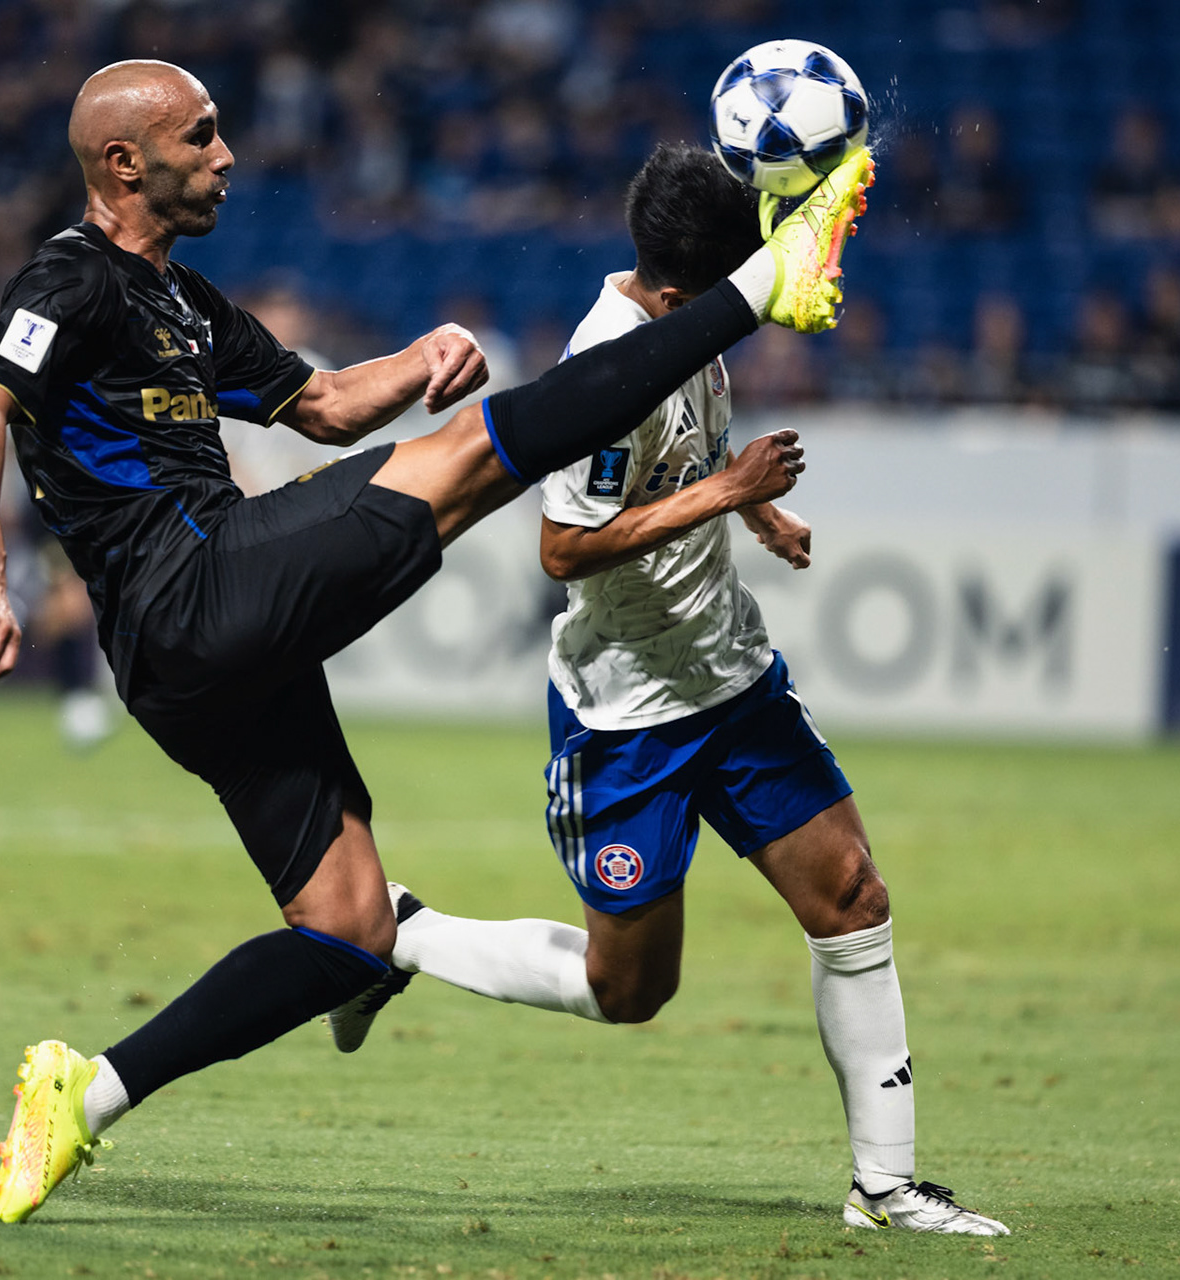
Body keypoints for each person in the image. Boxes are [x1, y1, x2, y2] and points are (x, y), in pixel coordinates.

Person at [0, 59, 871, 1224]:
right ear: (124, 162)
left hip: (195, 663)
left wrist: (421, 363)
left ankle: (85, 1094)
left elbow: (324, 404)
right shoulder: (70, 280)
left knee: (351, 932)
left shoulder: (184, 301)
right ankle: (760, 284)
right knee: (487, 458)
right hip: (200, 591)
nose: (227, 155)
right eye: (202, 136)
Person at [332, 144, 1009, 1238]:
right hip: (627, 714)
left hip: (732, 676)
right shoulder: (606, 367)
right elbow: (563, 545)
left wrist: (750, 510)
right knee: (630, 987)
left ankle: (886, 1185)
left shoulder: (684, 318)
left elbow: (692, 451)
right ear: (687, 295)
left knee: (853, 896)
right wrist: (731, 491)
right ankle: (397, 935)